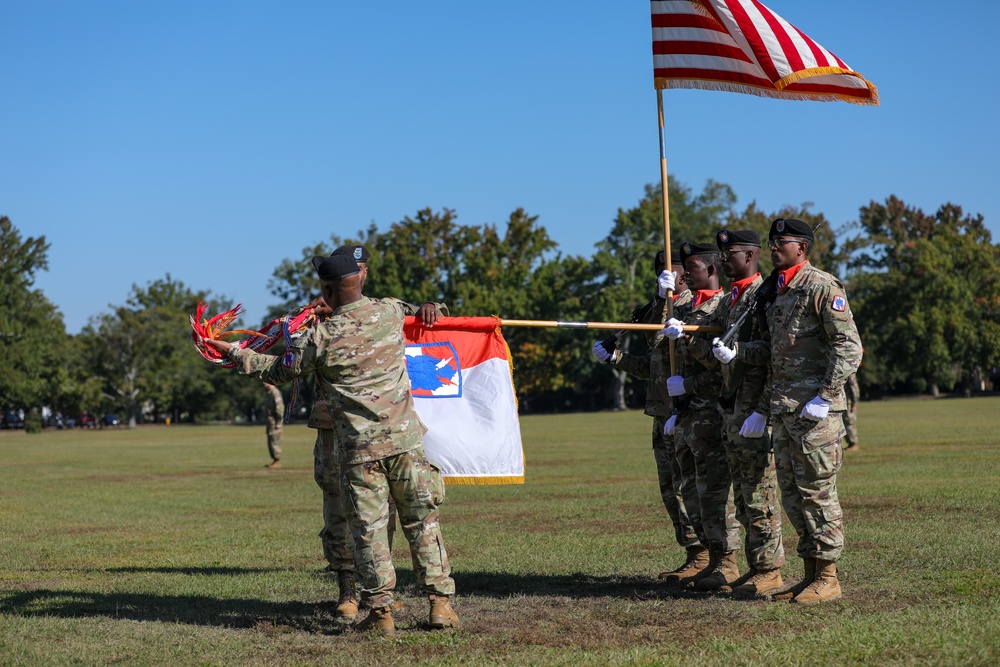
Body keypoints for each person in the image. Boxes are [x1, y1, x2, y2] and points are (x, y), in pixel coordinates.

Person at [205, 253, 458, 636]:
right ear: (361, 277)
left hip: (360, 454)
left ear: (325, 288)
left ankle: (381, 615)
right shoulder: (389, 312)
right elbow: (424, 311)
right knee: (422, 523)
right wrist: (432, 307)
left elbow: (275, 369)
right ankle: (440, 606)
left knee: (369, 533)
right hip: (407, 445)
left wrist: (234, 352)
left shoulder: (319, 337)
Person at [713, 218, 862, 604]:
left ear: (803, 248)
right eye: (773, 241)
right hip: (784, 412)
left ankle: (829, 577)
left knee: (817, 494)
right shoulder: (776, 293)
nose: (775, 247)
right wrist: (738, 352)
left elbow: (849, 348)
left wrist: (825, 396)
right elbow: (771, 352)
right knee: (794, 498)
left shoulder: (820, 286)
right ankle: (811, 574)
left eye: (784, 242)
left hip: (815, 414)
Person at [304, 244, 449, 621]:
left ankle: (378, 600)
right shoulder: (314, 320)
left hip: (375, 437)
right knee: (342, 513)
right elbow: (288, 345)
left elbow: (427, 313)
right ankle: (348, 591)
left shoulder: (385, 309)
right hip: (336, 433)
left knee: (375, 519)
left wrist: (430, 307)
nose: (363, 271)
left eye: (365, 265)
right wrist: (311, 319)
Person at [592, 250, 708, 583]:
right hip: (661, 411)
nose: (668, 279)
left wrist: (663, 303)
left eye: (671, 274)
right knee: (670, 490)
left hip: (689, 411)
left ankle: (708, 556)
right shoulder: (652, 309)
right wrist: (616, 357)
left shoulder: (693, 308)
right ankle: (694, 553)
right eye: (661, 274)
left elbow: (666, 340)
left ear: (685, 275)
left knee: (694, 489)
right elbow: (653, 366)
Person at [686, 229, 785, 598]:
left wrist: (762, 410)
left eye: (730, 254)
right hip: (732, 409)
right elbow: (716, 354)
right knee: (743, 499)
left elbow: (775, 354)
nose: (723, 259)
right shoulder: (733, 299)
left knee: (761, 496)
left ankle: (770, 569)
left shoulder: (765, 295)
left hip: (754, 410)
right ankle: (756, 566)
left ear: (749, 256)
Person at [660, 242, 741, 591]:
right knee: (691, 490)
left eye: (690, 267)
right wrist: (663, 297)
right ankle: (710, 557)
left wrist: (688, 381)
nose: (684, 273)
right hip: (687, 412)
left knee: (715, 491)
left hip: (710, 410)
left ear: (710, 269)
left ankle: (729, 563)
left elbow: (721, 365)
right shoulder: (684, 305)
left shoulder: (721, 307)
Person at [262, 383, 284, 469]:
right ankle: (275, 460)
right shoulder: (269, 393)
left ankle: (277, 461)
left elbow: (279, 408)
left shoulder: (275, 393)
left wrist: (279, 421)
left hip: (275, 423)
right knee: (271, 441)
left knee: (275, 441)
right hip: (270, 422)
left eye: (265, 381)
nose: (263, 383)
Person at [843, 374, 860, 450]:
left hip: (848, 401)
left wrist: (854, 402)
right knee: (843, 422)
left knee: (849, 421)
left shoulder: (849, 371)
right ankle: (850, 443)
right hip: (842, 400)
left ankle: (853, 443)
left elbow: (854, 387)